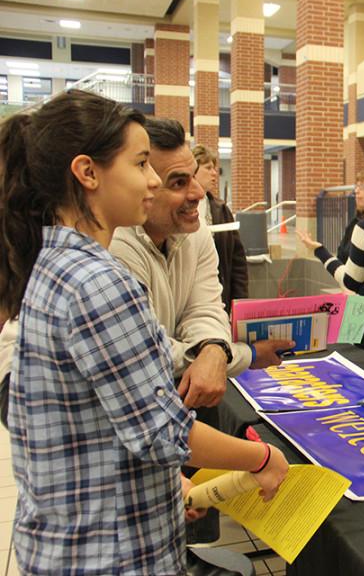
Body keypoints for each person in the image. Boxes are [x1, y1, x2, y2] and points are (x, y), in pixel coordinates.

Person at [0, 89, 288, 573]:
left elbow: (108, 420)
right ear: (88, 173)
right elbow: (162, 431)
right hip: (108, 554)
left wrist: (176, 484)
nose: (151, 181)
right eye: (140, 166)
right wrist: (259, 458)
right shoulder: (98, 280)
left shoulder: (52, 262)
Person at [108, 118, 293, 411]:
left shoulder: (196, 234)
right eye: (179, 182)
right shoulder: (114, 247)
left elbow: (205, 307)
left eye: (194, 176)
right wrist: (233, 355)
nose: (197, 193)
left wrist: (215, 350)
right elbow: (145, 351)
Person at [298, 161, 364, 349]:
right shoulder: (361, 224)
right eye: (357, 187)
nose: (357, 192)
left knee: (362, 368)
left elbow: (350, 280)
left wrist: (320, 252)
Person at [193, 144, 249, 314]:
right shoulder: (179, 209)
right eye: (208, 167)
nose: (214, 173)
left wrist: (240, 303)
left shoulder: (221, 209)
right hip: (192, 296)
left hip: (219, 296)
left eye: (215, 168)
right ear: (193, 170)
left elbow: (237, 260)